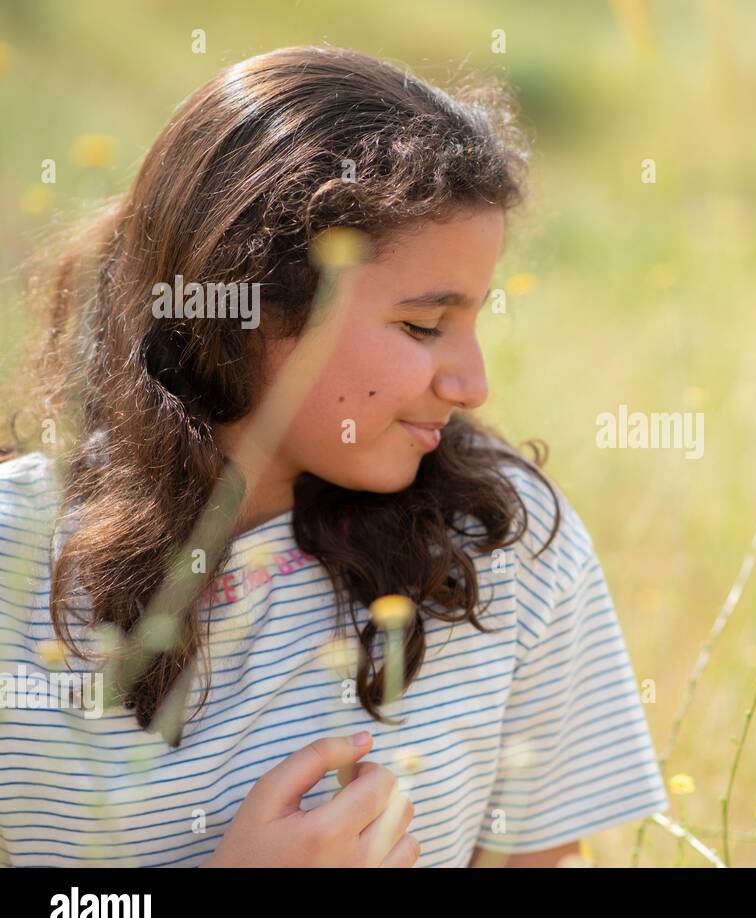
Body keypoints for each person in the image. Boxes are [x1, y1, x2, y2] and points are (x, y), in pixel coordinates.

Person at [0, 45, 667, 867]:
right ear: (248, 311)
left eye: (473, 320)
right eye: (424, 325)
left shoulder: (507, 547)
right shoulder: (15, 560)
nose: (473, 383)